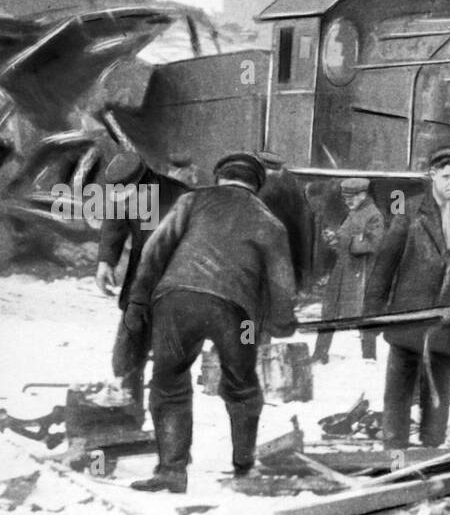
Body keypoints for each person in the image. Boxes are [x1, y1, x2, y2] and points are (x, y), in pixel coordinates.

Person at [123, 153, 298, 493]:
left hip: (177, 301)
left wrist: (139, 299)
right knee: (242, 385)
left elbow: (154, 250)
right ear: (257, 185)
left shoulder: (191, 201)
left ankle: (171, 471)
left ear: (219, 177)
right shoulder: (269, 222)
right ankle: (244, 467)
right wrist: (282, 320)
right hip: (237, 314)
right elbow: (282, 281)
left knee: (169, 383)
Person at [365, 146, 450, 450]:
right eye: (447, 177)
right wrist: (372, 312)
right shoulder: (409, 209)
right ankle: (394, 451)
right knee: (399, 388)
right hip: (408, 316)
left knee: (439, 387)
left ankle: (431, 449)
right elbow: (385, 263)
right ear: (433, 175)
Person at [94, 151, 188, 413]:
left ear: (145, 181)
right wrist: (106, 261)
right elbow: (114, 221)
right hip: (138, 288)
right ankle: (127, 414)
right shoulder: (126, 190)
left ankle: (168, 422)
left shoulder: (181, 197)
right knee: (125, 355)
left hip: (173, 289)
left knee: (170, 365)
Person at [312, 178, 386, 364]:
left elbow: (372, 244)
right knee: (329, 311)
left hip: (361, 272)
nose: (347, 201)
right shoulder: (355, 212)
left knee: (364, 314)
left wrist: (343, 240)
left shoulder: (373, 215)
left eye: (351, 198)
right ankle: (320, 353)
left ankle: (369, 357)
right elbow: (346, 241)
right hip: (343, 269)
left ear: (363, 195)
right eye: (345, 198)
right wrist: (334, 239)